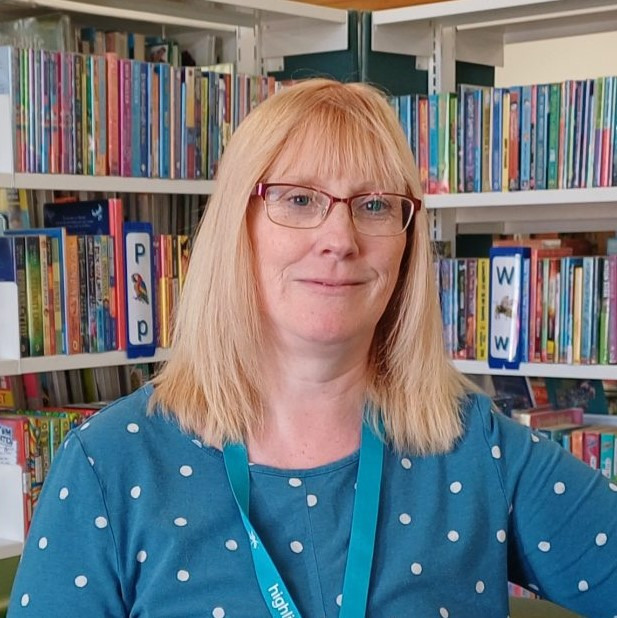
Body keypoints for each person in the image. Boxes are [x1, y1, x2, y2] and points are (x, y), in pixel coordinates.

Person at [8, 79, 617, 617]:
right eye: (300, 199)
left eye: (374, 205)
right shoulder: (110, 465)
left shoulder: (476, 448)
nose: (339, 238)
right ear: (236, 229)